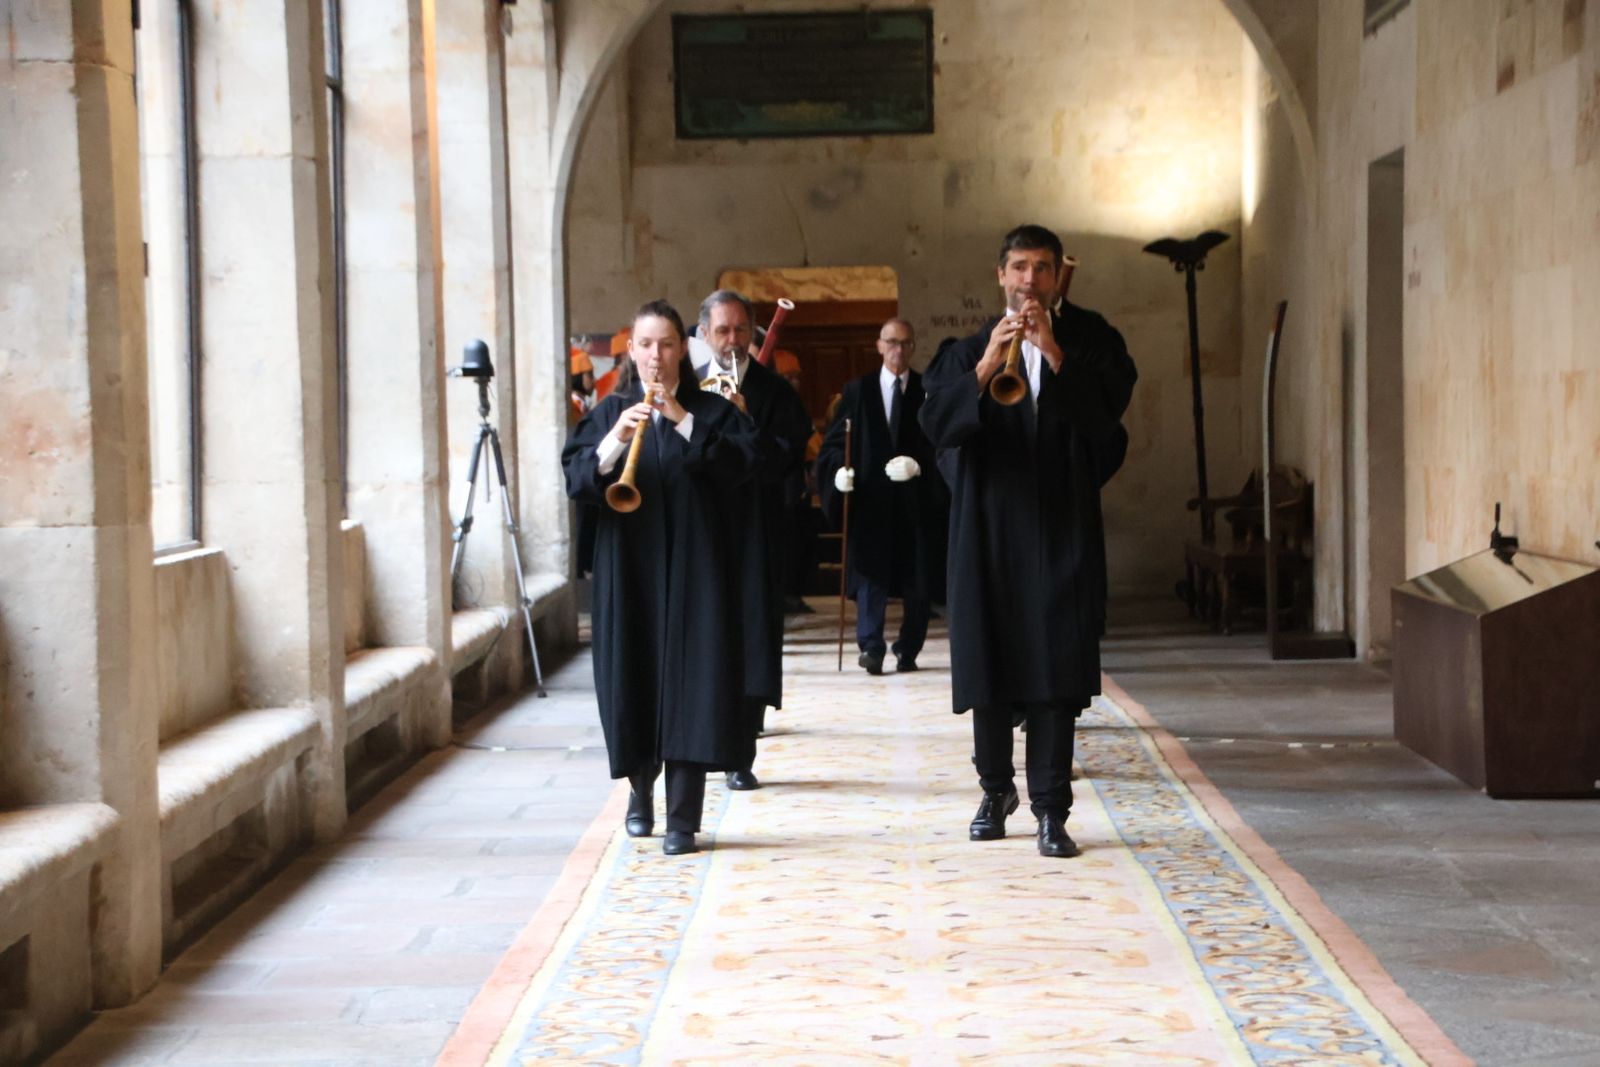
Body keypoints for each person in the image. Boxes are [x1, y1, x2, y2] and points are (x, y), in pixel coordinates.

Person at [919, 224, 1137, 859]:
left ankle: (1050, 808)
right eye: (1019, 267)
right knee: (990, 667)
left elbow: (1107, 426)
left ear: (1054, 275)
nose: (1030, 279)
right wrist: (991, 363)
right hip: (985, 532)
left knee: (1053, 671)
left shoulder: (1092, 342)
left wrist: (1054, 353)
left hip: (1060, 526)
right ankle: (994, 791)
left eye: (1042, 268)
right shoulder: (964, 352)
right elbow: (935, 426)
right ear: (1001, 276)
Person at [562, 300, 761, 855]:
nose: (656, 355)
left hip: (698, 575)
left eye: (667, 344)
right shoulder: (608, 414)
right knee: (635, 680)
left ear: (685, 349)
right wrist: (614, 444)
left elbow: (743, 467)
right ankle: (639, 796)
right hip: (630, 577)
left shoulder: (714, 413)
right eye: (646, 345)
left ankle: (683, 819)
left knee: (692, 689)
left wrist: (680, 418)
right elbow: (578, 479)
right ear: (632, 351)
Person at [693, 290, 812, 792]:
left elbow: (787, 455)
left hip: (755, 534)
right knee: (703, 641)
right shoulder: (687, 387)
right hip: (701, 534)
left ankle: (741, 753)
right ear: (703, 335)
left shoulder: (773, 391)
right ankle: (700, 744)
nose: (733, 340)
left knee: (750, 641)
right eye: (723, 330)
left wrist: (745, 422)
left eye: (742, 330)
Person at [816, 318, 948, 674]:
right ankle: (870, 647)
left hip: (914, 503)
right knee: (870, 576)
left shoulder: (927, 389)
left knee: (916, 580)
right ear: (879, 345)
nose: (897, 350)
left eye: (905, 343)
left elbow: (943, 444)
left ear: (913, 346)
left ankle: (909, 648)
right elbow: (833, 445)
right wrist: (837, 474)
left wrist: (920, 467)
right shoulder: (858, 391)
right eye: (891, 342)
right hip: (871, 502)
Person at [569, 347, 596, 422]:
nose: (594, 380)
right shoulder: (573, 407)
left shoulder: (580, 405)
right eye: (590, 375)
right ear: (577, 377)